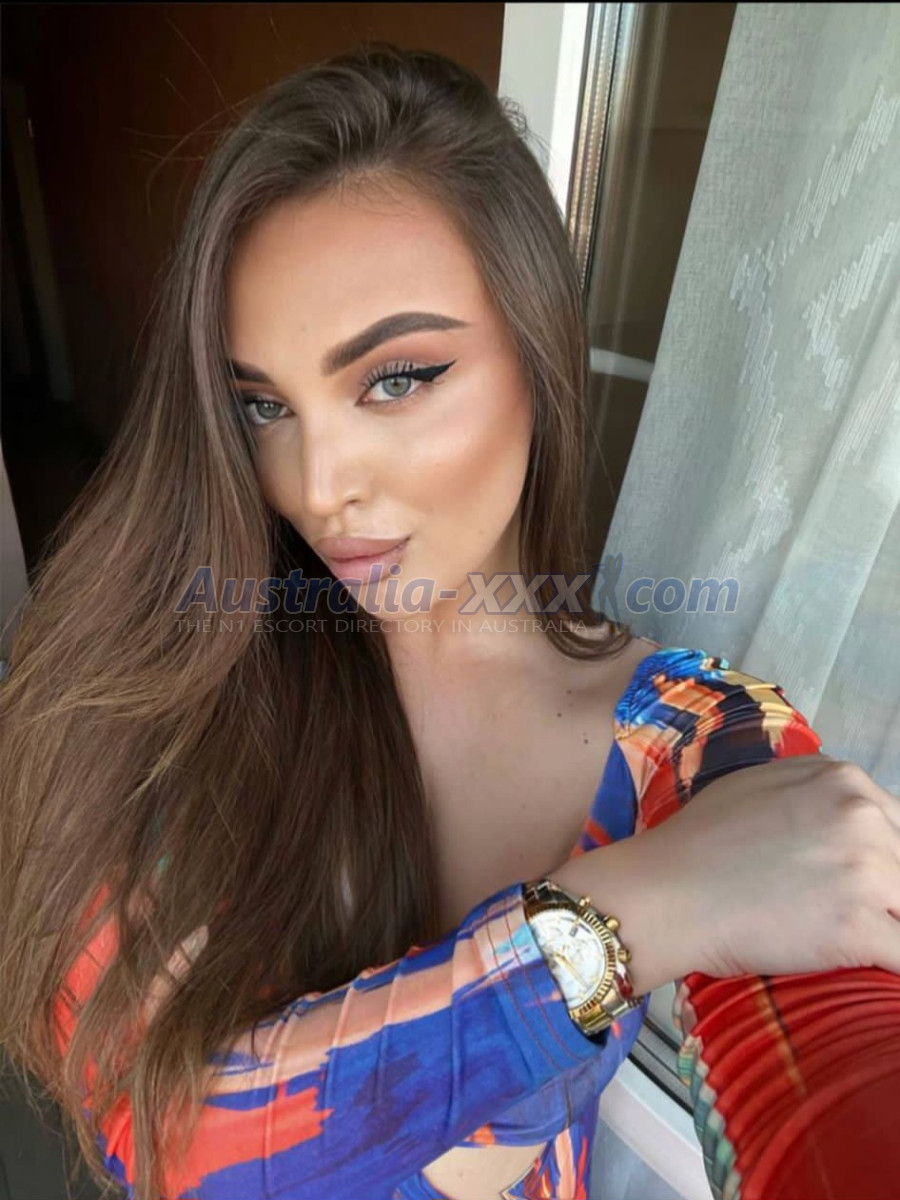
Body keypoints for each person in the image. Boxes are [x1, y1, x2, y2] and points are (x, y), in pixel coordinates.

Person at [1, 43, 898, 1200]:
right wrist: (627, 917)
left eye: (396, 379)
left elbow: (834, 1098)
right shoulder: (181, 678)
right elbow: (173, 1143)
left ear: (537, 350)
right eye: (262, 404)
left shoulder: (686, 733)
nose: (317, 485)